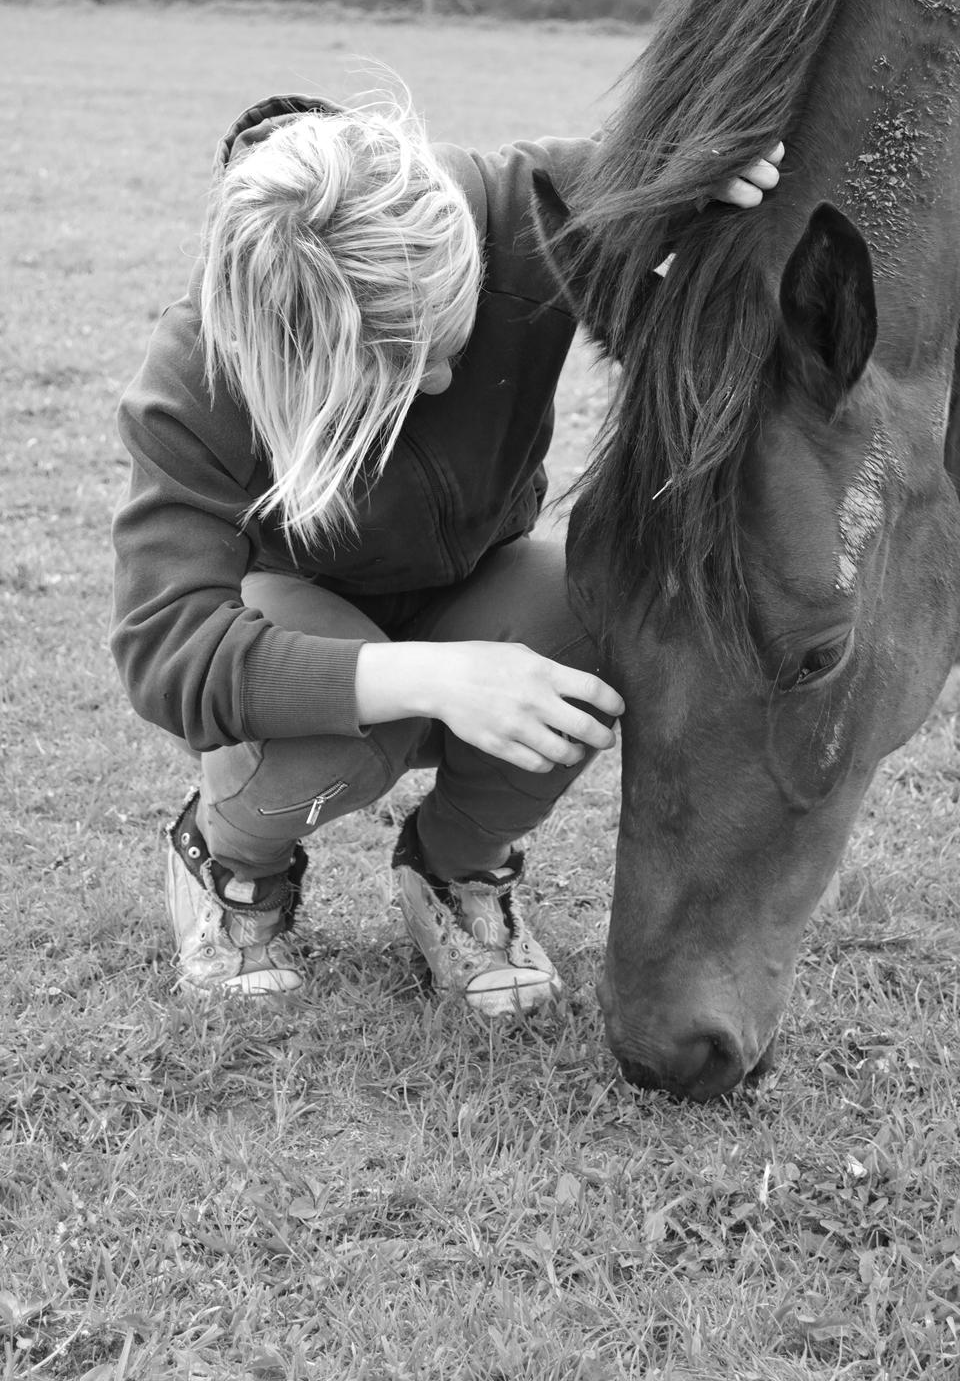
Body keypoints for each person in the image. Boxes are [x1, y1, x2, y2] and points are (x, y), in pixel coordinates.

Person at [110, 88, 783, 1013]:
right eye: (393, 366)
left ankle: (456, 871)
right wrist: (434, 678)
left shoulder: (517, 211)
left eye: (448, 329)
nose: (437, 378)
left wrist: (723, 160)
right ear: (285, 349)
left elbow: (679, 155)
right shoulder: (200, 371)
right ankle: (231, 864)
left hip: (474, 580)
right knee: (362, 729)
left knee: (597, 605)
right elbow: (164, 649)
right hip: (298, 608)